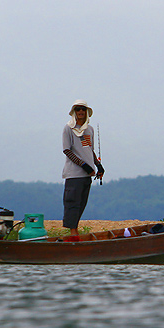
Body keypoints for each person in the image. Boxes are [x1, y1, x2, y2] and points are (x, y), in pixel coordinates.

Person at [61, 99, 104, 237]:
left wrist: (98, 165)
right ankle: (73, 231)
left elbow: (89, 150)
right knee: (72, 202)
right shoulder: (68, 128)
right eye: (78, 109)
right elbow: (67, 150)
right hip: (74, 174)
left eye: (83, 109)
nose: (80, 112)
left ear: (87, 112)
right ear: (74, 111)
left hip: (87, 175)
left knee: (81, 203)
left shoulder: (89, 129)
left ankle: (75, 228)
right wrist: (84, 166)